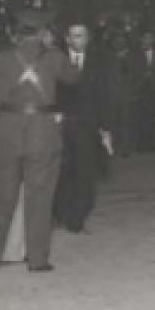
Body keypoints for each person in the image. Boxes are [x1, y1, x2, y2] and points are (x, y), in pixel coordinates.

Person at [0, 7, 79, 273]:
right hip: (42, 133)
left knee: (1, 197)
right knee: (40, 198)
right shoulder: (54, 57)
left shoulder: (2, 59)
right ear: (44, 32)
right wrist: (57, 48)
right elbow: (73, 77)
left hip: (8, 131)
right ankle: (37, 260)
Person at [54, 21, 115, 234]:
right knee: (63, 172)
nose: (78, 39)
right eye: (74, 35)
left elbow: (106, 94)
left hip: (88, 126)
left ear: (88, 38)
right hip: (61, 125)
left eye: (82, 35)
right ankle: (62, 214)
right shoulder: (56, 60)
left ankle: (77, 219)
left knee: (85, 173)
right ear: (67, 38)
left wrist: (106, 128)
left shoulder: (100, 61)